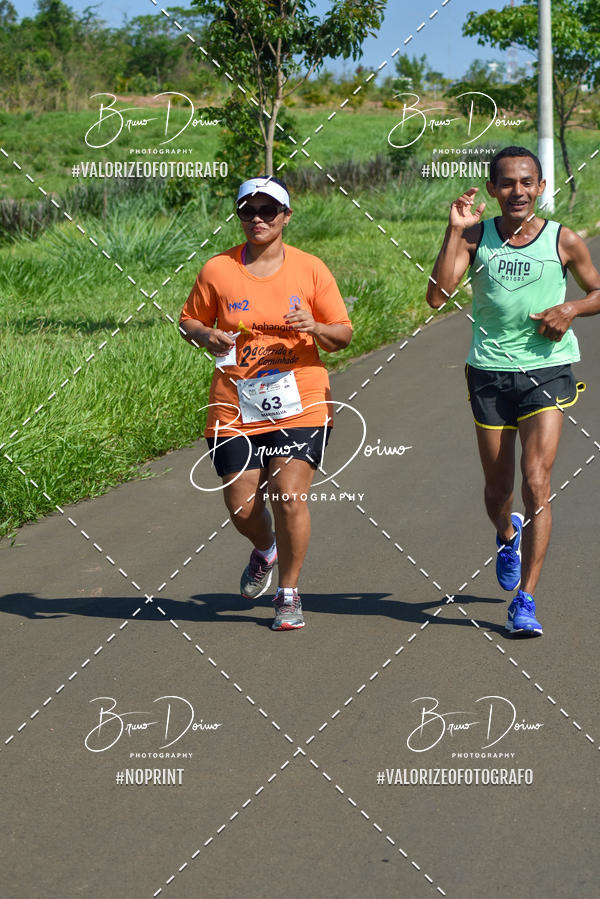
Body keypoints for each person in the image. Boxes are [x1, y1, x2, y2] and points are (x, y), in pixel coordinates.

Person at [427, 146, 600, 635]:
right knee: (499, 489)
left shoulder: (564, 240)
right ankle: (507, 534)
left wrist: (571, 309)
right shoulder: (476, 237)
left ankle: (525, 599)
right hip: (489, 373)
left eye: (527, 182)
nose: (517, 191)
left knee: (536, 480)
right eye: (507, 183)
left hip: (547, 369)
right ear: (492, 189)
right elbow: (437, 296)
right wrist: (454, 231)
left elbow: (597, 292)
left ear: (541, 187)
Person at [179, 176, 352, 630]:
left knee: (288, 496)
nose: (257, 218)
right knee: (241, 507)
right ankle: (265, 548)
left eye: (268, 210)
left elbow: (342, 335)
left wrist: (315, 327)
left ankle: (289, 594)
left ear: (286, 216)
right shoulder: (217, 269)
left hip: (300, 398)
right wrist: (205, 335)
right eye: (247, 210)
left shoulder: (310, 269)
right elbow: (187, 320)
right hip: (235, 402)